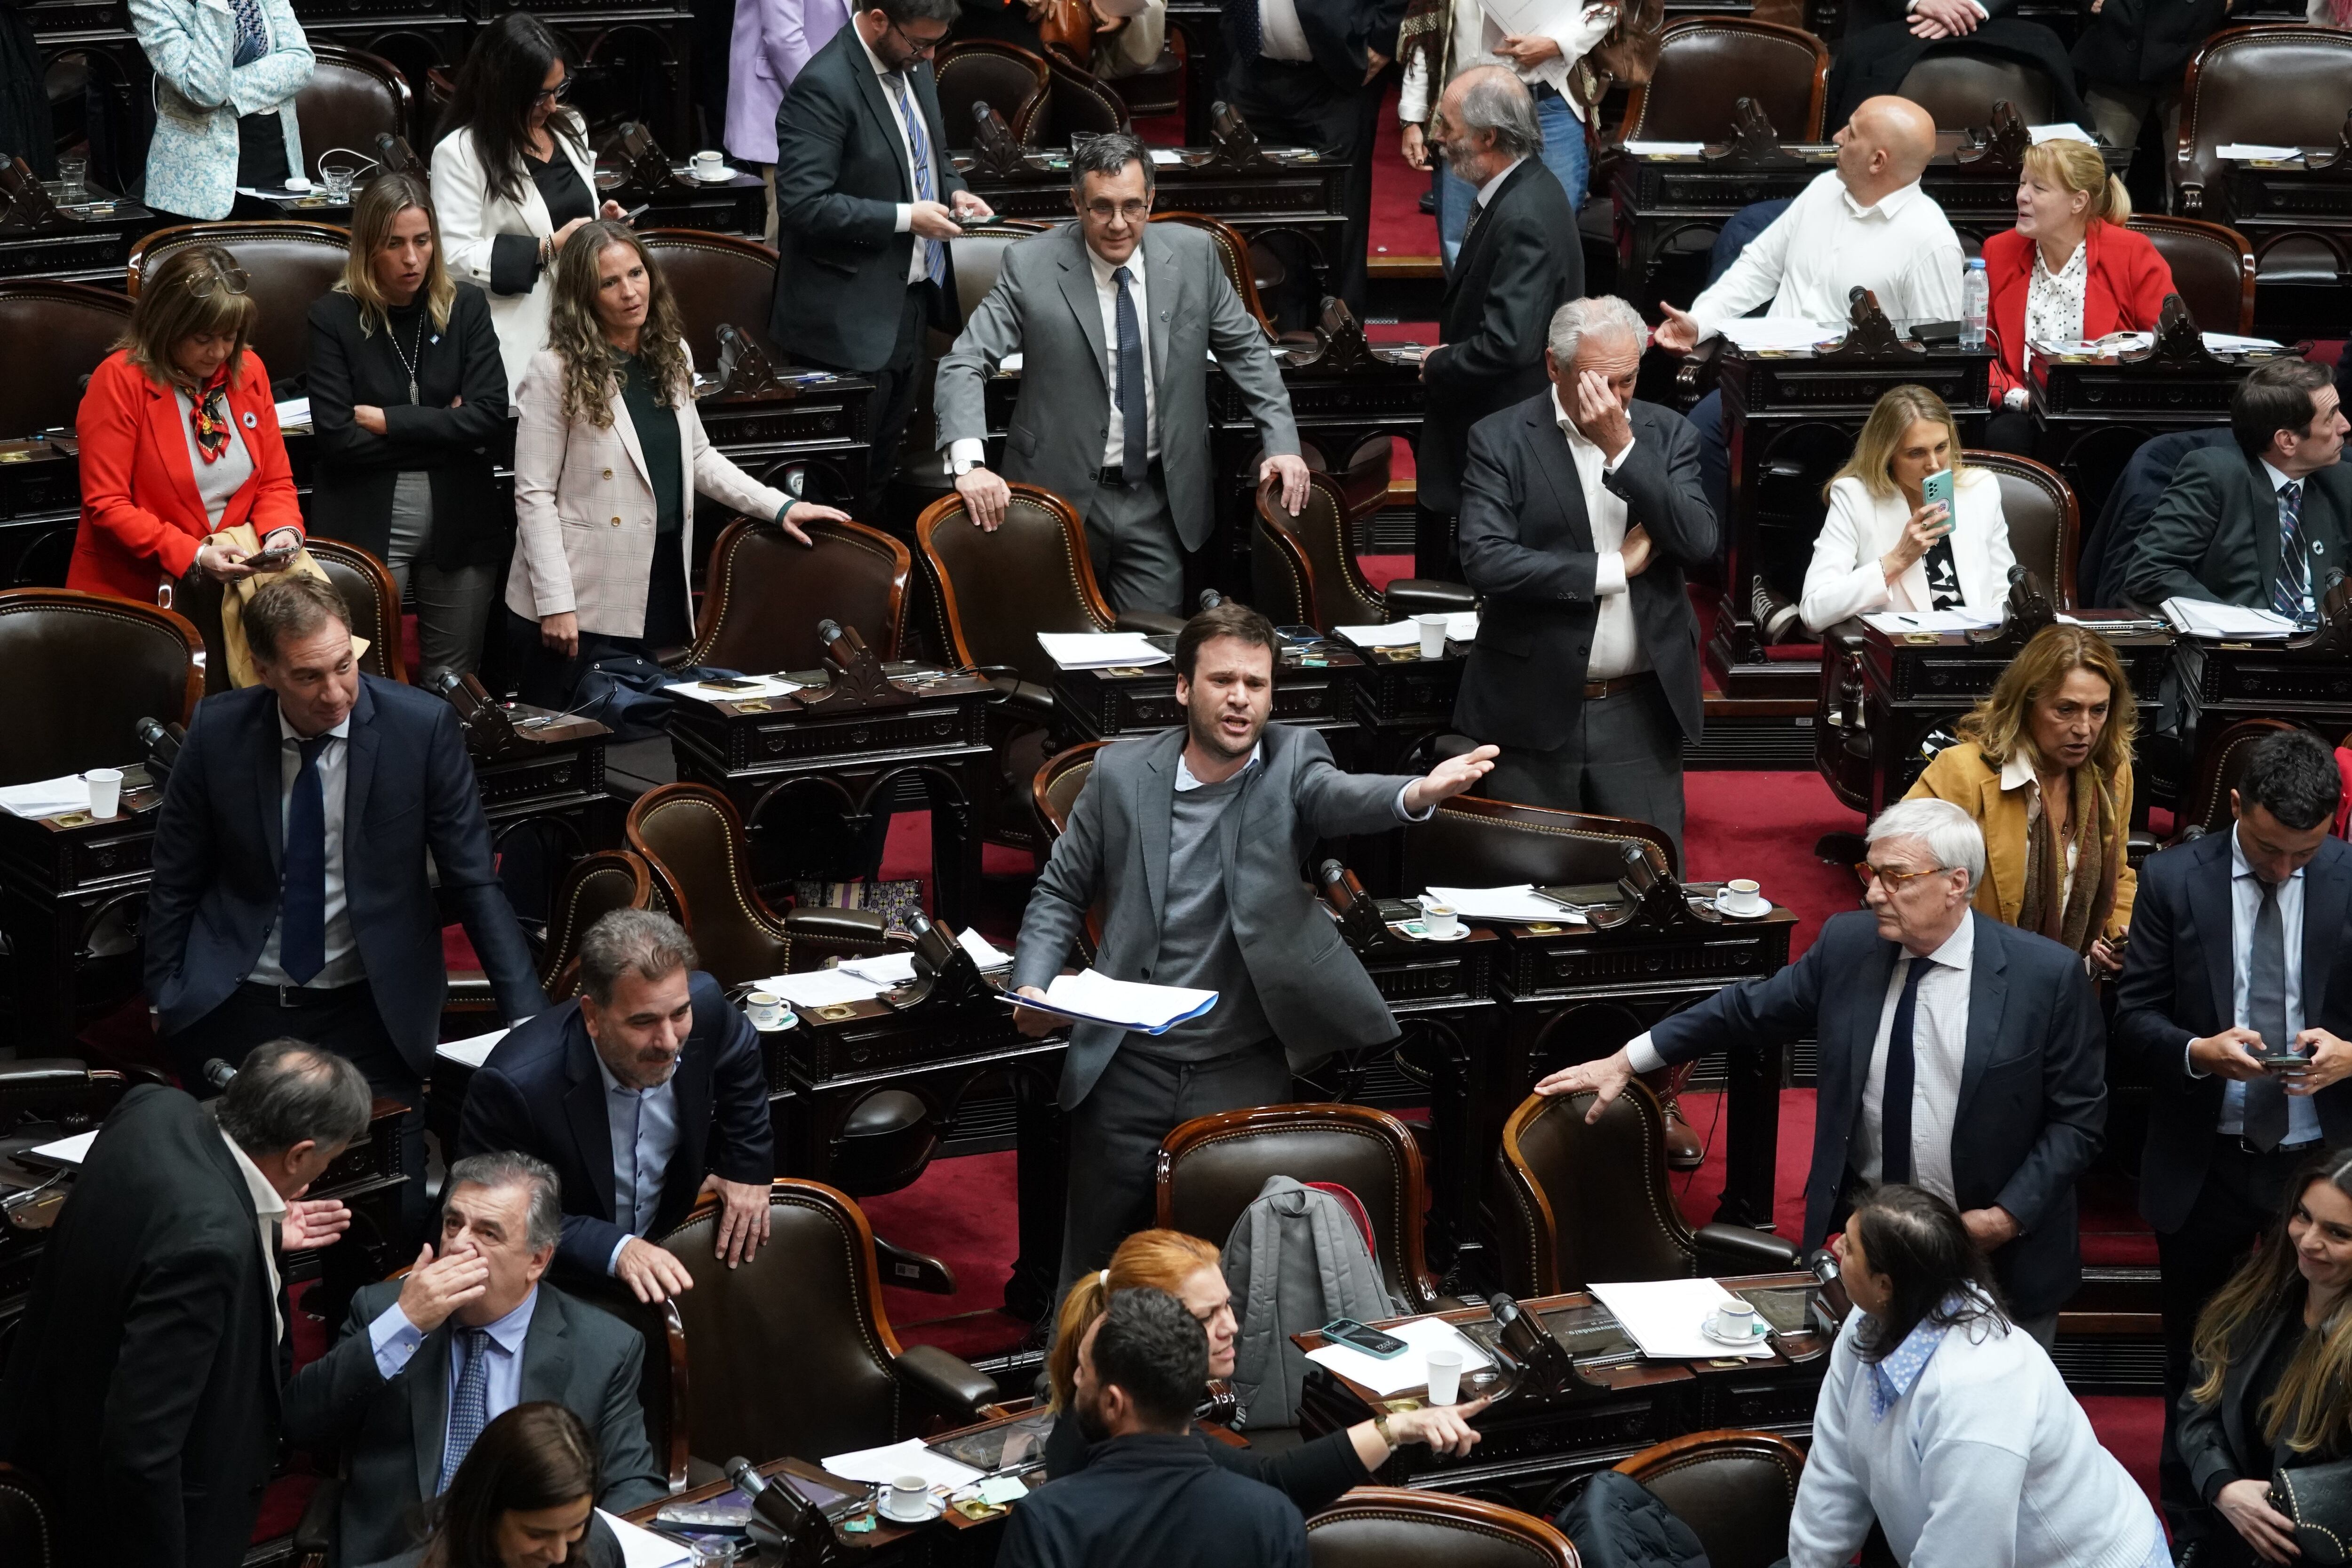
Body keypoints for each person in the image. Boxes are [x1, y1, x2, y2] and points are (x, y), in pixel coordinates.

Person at [1010, 601, 1498, 1293]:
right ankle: (1070, 1390)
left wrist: (1417, 793)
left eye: (1257, 684)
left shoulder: (1292, 762)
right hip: (1128, 1063)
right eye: (1222, 681)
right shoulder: (1121, 776)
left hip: (1235, 1063)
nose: (1240, 699)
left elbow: (1341, 796)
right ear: (1184, 688)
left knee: (1239, 1268)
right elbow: (1060, 892)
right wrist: (1033, 986)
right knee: (1095, 1273)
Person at [1536, 797, 2106, 1344]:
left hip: (1996, 1257)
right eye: (1870, 873)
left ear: (1956, 883)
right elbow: (1747, 1009)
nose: (1874, 894)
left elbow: (2077, 1121)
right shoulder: (1848, 946)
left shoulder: (2044, 978)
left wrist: (2003, 1220)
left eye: (1896, 878)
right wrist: (1626, 1060)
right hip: (1867, 1249)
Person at [145, 575, 547, 1237]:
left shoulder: (420, 729)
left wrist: (527, 1019)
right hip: (242, 1003)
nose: (335, 693)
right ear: (265, 670)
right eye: (308, 677)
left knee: (391, 1212)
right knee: (231, 1216)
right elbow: (176, 876)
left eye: (345, 666)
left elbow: (475, 880)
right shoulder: (219, 730)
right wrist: (164, 992)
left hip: (372, 1007)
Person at [0, 1042, 370, 1568]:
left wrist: (258, 1228)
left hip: (55, 1427)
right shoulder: (209, 1243)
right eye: (328, 1160)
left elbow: (147, 1230)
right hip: (154, 1520)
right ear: (299, 1155)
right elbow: (142, 1449)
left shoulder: (153, 1107)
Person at [2113, 726, 2352, 1536]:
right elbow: (2133, 1014)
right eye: (2271, 848)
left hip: (2323, 1164)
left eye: (2306, 852)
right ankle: (2192, 1517)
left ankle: (2310, 1511)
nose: (2288, 868)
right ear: (2238, 805)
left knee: (2322, 1344)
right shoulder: (2177, 879)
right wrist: (2197, 1050)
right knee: (2195, 1347)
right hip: (2207, 1156)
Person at [935, 131, 1307, 617]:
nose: (1117, 225)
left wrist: (1281, 443)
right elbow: (964, 360)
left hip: (1158, 500)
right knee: (1056, 651)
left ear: (1150, 199)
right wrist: (970, 465)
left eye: (1132, 207)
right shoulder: (1030, 265)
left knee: (1151, 656)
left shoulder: (1195, 257)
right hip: (1055, 499)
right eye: (1101, 208)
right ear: (1075, 201)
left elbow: (1248, 353)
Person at [504, 221, 849, 708]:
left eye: (636, 273)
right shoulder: (554, 370)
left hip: (655, 573)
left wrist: (779, 507)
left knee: (648, 732)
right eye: (610, 282)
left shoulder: (672, 354)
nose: (629, 292)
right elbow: (533, 495)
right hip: (576, 593)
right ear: (583, 296)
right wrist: (555, 604)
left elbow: (699, 457)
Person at [284, 1153, 665, 1566]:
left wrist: (569, 1555)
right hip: (400, 1556)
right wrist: (405, 1325)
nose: (460, 1243)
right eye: (453, 1223)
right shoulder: (384, 1313)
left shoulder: (603, 1346)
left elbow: (633, 1487)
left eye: (488, 1232)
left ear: (537, 1259)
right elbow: (301, 1423)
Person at [1452, 296, 1714, 864]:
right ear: (1554, 366)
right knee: (1530, 897)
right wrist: (1611, 568)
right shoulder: (1500, 440)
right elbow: (1486, 560)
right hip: (1532, 709)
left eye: (1628, 381)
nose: (1615, 399)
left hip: (1640, 711)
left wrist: (1622, 449)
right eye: (1600, 382)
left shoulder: (1666, 436)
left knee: (1650, 886)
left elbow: (1698, 542)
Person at [1786, 1184, 2169, 1568]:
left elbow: (1964, 1556)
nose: (1836, 1250)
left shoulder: (1976, 1388)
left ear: (1885, 1285)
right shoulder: (1866, 1324)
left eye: (1850, 1248)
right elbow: (1834, 1470)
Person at [1654, 96, 1963, 524]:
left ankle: (1764, 576)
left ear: (1878, 160)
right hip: (1767, 379)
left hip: (1851, 407)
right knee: (1692, 434)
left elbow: (1938, 368)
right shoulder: (1824, 189)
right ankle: (1721, 573)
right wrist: (1700, 321)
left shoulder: (1930, 241)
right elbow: (1759, 267)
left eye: (1850, 132)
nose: (1836, 137)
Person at [458, 910, 774, 1305]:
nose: (668, 1041)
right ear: (592, 1016)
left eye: (679, 1014)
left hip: (674, 1243)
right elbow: (492, 1213)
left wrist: (745, 1165)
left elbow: (741, 1050)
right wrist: (616, 1249)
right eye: (643, 1022)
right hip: (561, 1283)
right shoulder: (515, 1085)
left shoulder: (706, 1006)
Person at [1039, 1231, 1485, 1502]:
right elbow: (1274, 1489)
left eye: (1227, 1307)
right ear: (1152, 1324)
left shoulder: (1132, 1401)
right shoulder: (1112, 1431)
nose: (1230, 1326)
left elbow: (1270, 1480)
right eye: (1206, 1316)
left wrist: (1400, 1428)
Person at [771, 0, 993, 516]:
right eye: (920, 43)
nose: (929, 54)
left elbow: (931, 155)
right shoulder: (823, 85)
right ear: (877, 20)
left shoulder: (910, 63)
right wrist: (904, 218)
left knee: (884, 472)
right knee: (843, 489)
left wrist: (955, 190)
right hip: (843, 324)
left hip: (910, 303)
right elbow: (803, 204)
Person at [307, 173, 511, 686]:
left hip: (461, 520)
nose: (412, 259)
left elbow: (489, 416)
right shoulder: (333, 317)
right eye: (394, 244)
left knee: (454, 683)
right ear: (368, 248)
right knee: (369, 681)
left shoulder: (465, 307)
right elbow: (337, 438)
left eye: (422, 242)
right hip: (365, 519)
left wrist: (389, 421)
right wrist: (449, 431)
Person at [997, 1287, 1310, 1568]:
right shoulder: (1275, 1518)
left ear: (1113, 1402)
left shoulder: (1047, 1521)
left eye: (1084, 1369)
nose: (1076, 1379)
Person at [1411, 66, 1581, 578]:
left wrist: (1440, 362)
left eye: (1447, 126)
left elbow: (1507, 343)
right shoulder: (1520, 190)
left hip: (1503, 437)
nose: (1437, 137)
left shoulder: (1524, 214)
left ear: (1487, 137)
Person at [68, 242, 302, 601]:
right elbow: (108, 504)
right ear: (166, 326)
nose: (219, 352)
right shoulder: (118, 381)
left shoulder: (249, 371)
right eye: (203, 339)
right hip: (137, 590)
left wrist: (281, 531)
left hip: (238, 580)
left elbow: (274, 481)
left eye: (230, 336)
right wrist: (194, 554)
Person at [1905, 623, 2138, 976]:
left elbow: (2119, 874)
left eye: (2098, 710)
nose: (2084, 728)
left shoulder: (2112, 774)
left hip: (2073, 985)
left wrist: (2121, 936)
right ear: (2027, 704)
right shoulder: (1963, 774)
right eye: (2066, 709)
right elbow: (1900, 875)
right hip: (1971, 977)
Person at [431, 15, 628, 397]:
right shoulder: (459, 154)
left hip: (587, 323)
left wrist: (603, 224)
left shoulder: (570, 125)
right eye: (541, 95)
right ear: (505, 92)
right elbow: (453, 256)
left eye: (559, 89)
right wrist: (547, 247)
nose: (553, 106)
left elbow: (567, 202)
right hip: (515, 336)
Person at [2176, 1148, 2352, 1567]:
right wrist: (2222, 1486)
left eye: (2339, 1233)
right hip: (2234, 1536)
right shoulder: (2255, 1298)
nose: (2308, 1241)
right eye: (2303, 1216)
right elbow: (2199, 1406)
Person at [1979, 139, 2173, 454]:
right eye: (2022, 183)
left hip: (2106, 414)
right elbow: (1978, 349)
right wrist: (2022, 399)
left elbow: (2169, 349)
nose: (2022, 196)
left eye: (2038, 188)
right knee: (2004, 437)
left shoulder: (2132, 254)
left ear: (2078, 201)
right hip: (2023, 411)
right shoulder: (1998, 252)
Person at [2121, 357, 2351, 615]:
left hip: (2326, 645)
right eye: (2331, 418)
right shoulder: (2215, 477)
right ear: (2287, 441)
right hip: (2239, 647)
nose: (2346, 426)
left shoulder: (2341, 481)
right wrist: (2236, 621)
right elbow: (2151, 571)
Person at [1216, 0, 1399, 311]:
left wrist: (1384, 38)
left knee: (1341, 220)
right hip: (1253, 69)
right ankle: (1281, 334)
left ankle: (1341, 343)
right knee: (1266, 212)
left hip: (1335, 74)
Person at [1398, 0, 1613, 261]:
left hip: (1549, 98)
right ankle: (1471, 302)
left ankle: (1538, 303)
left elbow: (1613, 7)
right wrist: (1412, 118)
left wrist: (1558, 44)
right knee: (1463, 239)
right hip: (1468, 104)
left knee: (1555, 231)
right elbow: (1425, 33)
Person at [1798, 383, 2017, 634]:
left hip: (1975, 650)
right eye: (1916, 453)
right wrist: (1898, 559)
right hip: (1906, 655)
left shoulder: (1981, 490)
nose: (1934, 465)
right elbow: (1814, 611)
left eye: (1941, 448)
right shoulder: (1855, 498)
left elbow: (2005, 591)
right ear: (1887, 454)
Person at [364, 1402, 624, 1568]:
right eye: (536, 1535)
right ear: (485, 1515)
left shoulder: (598, 1546)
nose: (559, 1555)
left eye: (576, 1527)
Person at [132, 0, 312, 227]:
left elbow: (302, 62)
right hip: (200, 192)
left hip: (277, 172)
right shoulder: (151, 3)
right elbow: (205, 89)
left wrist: (224, 92)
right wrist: (213, 4)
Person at [723, 0, 856, 244]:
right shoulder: (824, 100)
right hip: (789, 100)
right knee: (786, 235)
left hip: (840, 103)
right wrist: (826, 104)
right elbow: (784, 39)